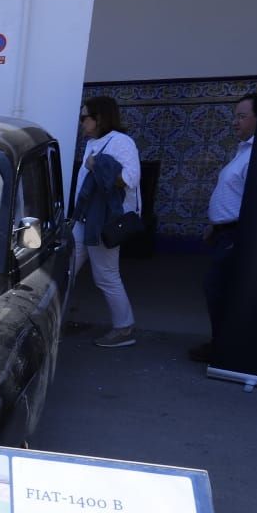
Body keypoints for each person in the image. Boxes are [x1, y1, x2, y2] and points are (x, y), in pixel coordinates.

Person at [190, 92, 257, 363]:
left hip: (237, 233)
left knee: (218, 288)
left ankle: (225, 348)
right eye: (235, 116)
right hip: (224, 232)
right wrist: (215, 225)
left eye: (242, 116)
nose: (235, 122)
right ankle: (222, 343)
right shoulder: (243, 150)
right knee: (219, 289)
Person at [72, 96, 141, 348]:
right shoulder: (93, 142)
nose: (81, 123)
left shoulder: (121, 142)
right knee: (65, 268)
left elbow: (130, 178)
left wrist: (96, 165)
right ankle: (49, 320)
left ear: (99, 118)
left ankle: (124, 328)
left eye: (84, 118)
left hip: (104, 221)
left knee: (106, 276)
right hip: (85, 218)